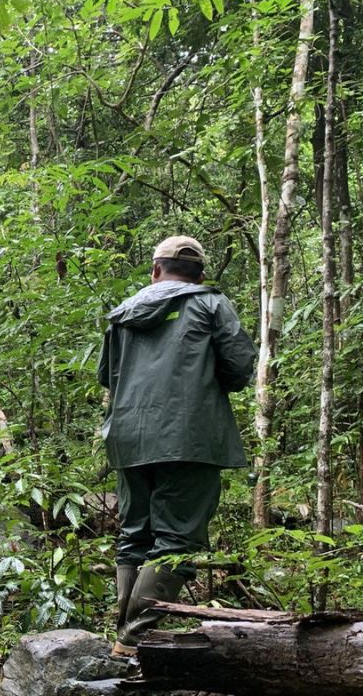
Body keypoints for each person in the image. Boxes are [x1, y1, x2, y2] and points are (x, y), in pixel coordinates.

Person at [96, 236, 257, 657]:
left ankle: (124, 638)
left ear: (155, 270)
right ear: (200, 274)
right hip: (190, 436)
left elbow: (107, 376)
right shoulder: (210, 304)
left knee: (135, 536)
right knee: (176, 539)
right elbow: (240, 367)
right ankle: (134, 640)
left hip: (128, 436)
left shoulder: (123, 313)